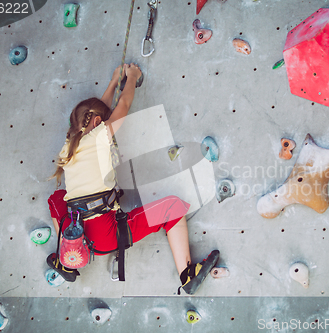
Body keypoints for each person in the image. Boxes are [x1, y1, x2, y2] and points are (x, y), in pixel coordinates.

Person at [47, 63, 219, 295]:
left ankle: (63, 256)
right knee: (172, 208)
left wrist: (113, 82)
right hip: (105, 235)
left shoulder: (67, 148)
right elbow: (123, 105)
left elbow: (98, 112)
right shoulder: (99, 137)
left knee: (57, 198)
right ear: (98, 123)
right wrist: (132, 78)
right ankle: (187, 276)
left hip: (75, 234)